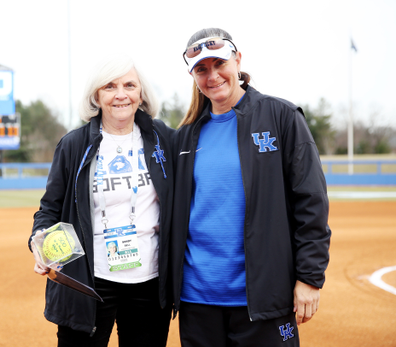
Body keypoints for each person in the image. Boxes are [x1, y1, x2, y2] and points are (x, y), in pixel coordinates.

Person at [170, 28, 331, 347]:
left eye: (219, 64)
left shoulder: (281, 116)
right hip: (198, 301)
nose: (212, 76)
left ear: (238, 59)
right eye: (201, 69)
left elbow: (310, 201)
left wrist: (309, 277)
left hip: (264, 298)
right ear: (193, 75)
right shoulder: (184, 136)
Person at [29, 54, 174, 347]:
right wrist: (38, 238)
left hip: (149, 281)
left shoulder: (164, 140)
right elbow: (50, 208)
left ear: (140, 93)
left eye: (129, 85)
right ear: (96, 95)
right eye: (109, 86)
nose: (121, 94)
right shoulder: (74, 144)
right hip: (89, 280)